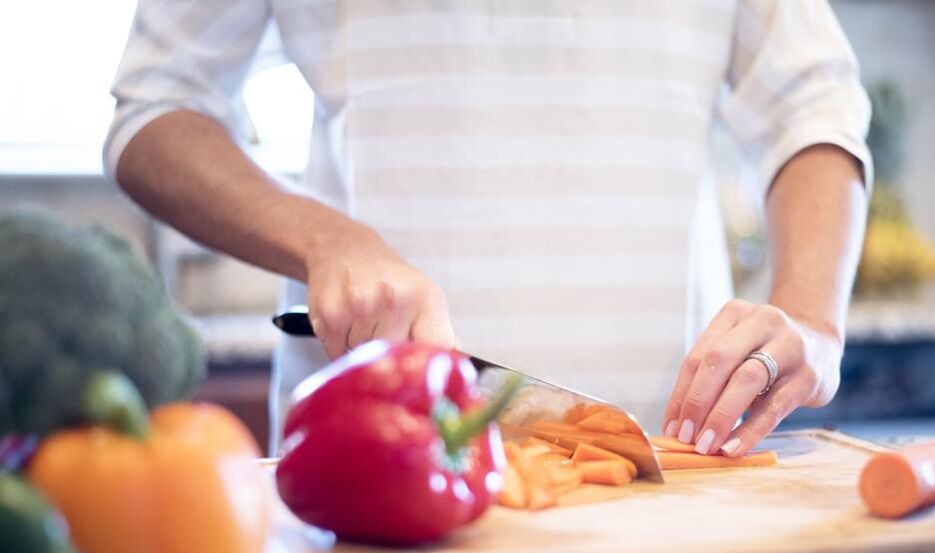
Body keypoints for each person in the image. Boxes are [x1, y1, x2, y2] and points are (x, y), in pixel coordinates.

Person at [106, 1, 870, 458]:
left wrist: (808, 315)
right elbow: (155, 109)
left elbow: (811, 102)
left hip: (670, 462)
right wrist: (328, 240)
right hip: (371, 469)